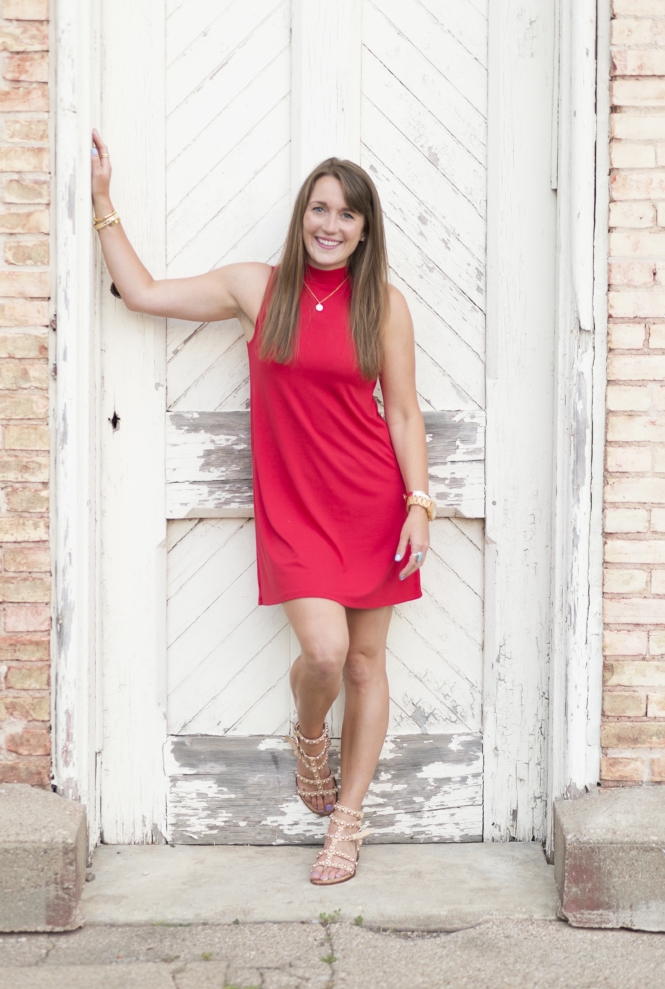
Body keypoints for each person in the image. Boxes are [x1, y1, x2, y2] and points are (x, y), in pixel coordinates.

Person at [91, 131, 435, 885]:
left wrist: (418, 501)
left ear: (365, 229)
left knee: (368, 662)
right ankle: (310, 733)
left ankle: (346, 824)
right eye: (319, 208)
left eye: (347, 215)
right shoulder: (256, 289)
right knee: (326, 654)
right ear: (301, 214)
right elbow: (144, 294)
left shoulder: (383, 306)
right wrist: (103, 205)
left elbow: (403, 413)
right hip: (296, 509)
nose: (330, 225)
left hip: (372, 502)